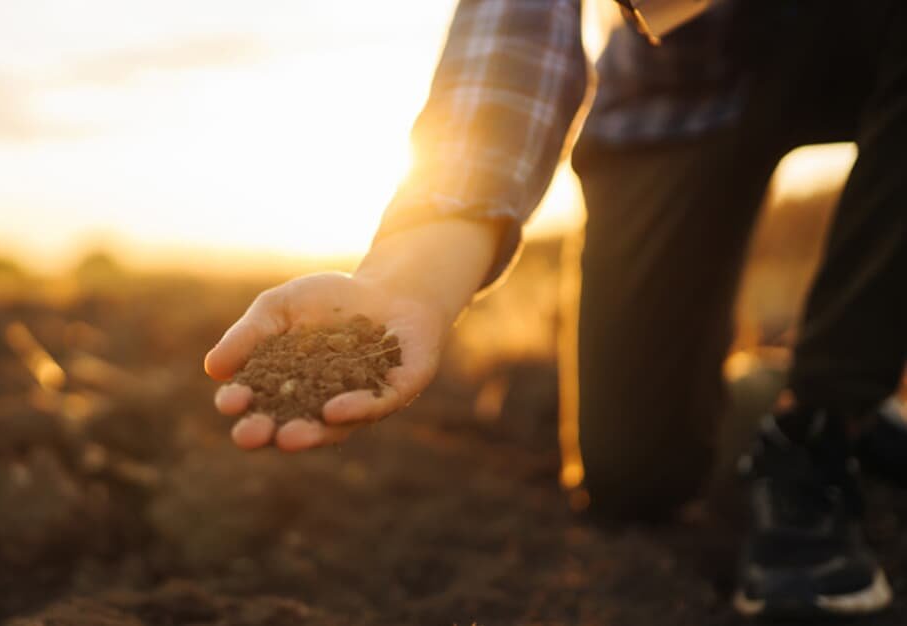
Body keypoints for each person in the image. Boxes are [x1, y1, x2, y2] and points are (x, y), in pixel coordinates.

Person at [204, 0, 906, 618]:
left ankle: (826, 419)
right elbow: (515, 23)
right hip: (686, 76)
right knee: (635, 475)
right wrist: (409, 277)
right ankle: (779, 392)